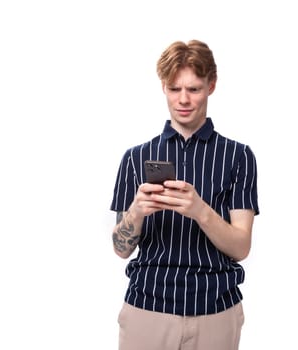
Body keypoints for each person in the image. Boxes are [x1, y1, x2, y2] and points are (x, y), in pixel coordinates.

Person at [110, 39, 260, 350]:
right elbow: (120, 248)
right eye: (175, 89)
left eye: (194, 89)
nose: (184, 100)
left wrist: (200, 211)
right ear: (163, 87)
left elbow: (241, 246)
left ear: (212, 86)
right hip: (147, 308)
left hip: (216, 310)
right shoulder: (135, 157)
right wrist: (137, 211)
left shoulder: (239, 156)